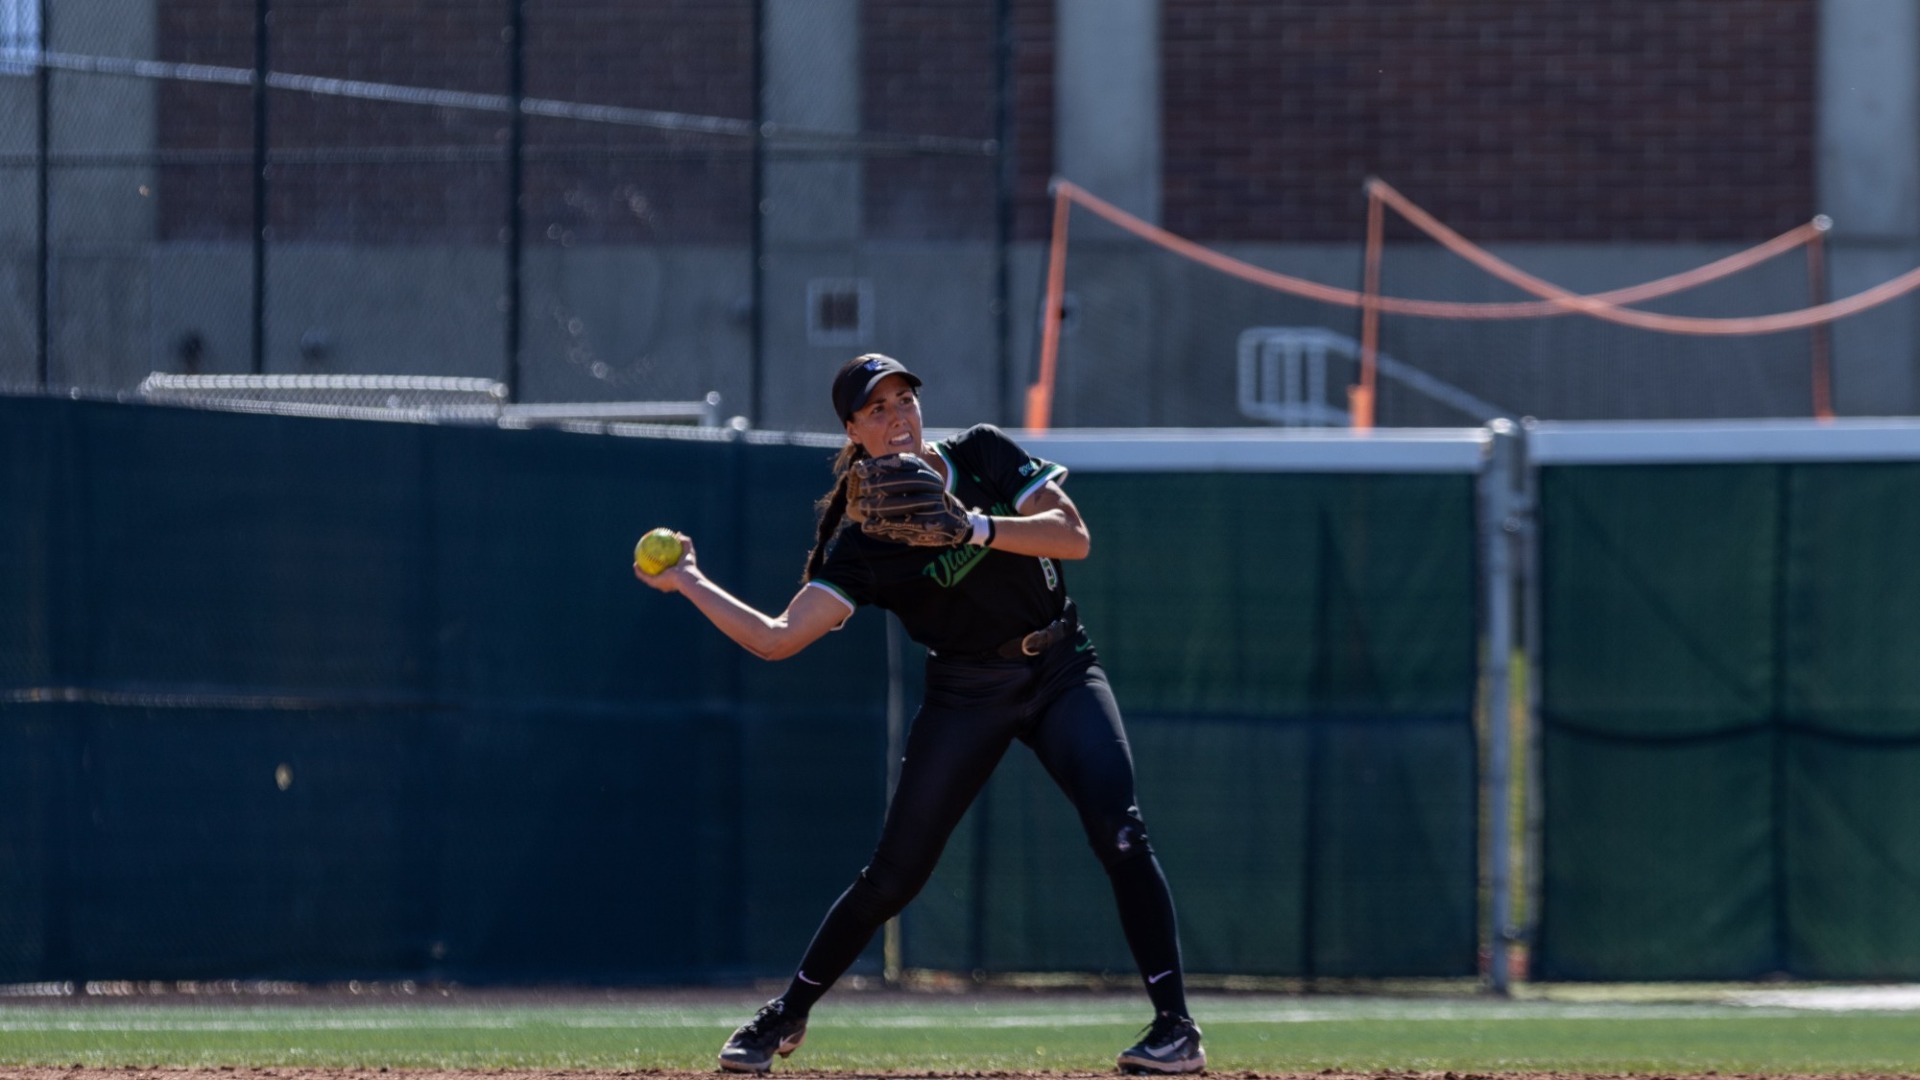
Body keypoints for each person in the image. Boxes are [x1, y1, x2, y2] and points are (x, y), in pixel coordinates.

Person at [635, 354, 1204, 1076]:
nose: (898, 415)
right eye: (877, 408)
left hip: (1060, 666)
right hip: (968, 690)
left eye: (905, 398)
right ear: (852, 430)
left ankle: (1176, 1029)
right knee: (893, 877)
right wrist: (689, 581)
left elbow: (1073, 537)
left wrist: (970, 526)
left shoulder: (981, 454)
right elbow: (777, 638)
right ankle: (785, 1014)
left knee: (1121, 833)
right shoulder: (866, 541)